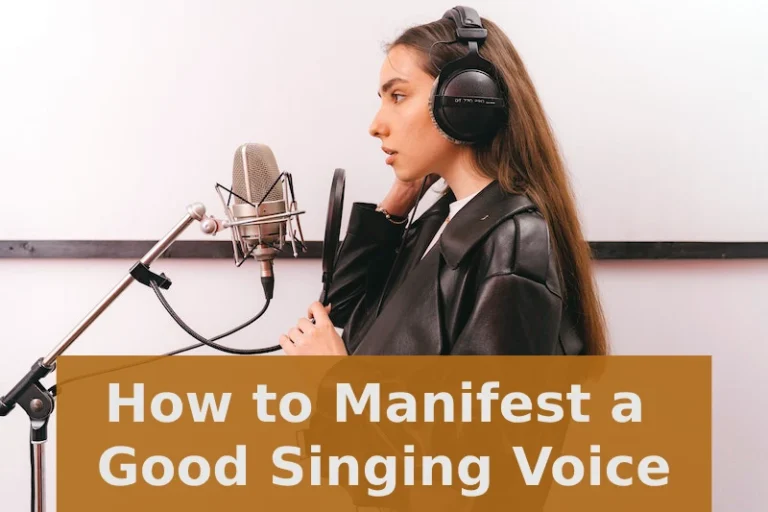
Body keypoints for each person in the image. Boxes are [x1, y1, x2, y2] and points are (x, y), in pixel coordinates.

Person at [278, 6, 609, 357]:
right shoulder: (440, 220)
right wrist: (400, 197)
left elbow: (491, 409)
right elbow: (342, 308)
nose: (376, 125)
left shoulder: (513, 245)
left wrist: (335, 378)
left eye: (398, 96)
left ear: (466, 101)